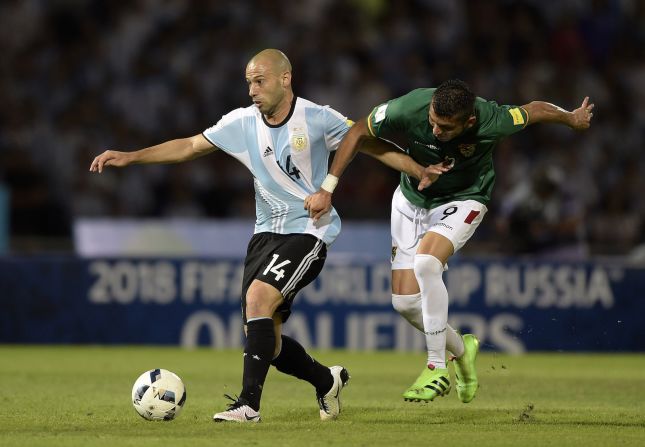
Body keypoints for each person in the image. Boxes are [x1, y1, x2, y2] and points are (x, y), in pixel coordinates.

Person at [90, 49, 441, 422]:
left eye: (259, 81)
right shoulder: (241, 122)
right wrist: (131, 156)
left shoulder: (318, 118)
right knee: (267, 342)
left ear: (285, 79)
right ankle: (327, 381)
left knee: (259, 299)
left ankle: (248, 405)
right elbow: (190, 146)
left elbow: (368, 142)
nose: (252, 91)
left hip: (308, 230)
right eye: (248, 83)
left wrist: (417, 169)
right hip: (264, 237)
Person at [305, 79, 594, 403]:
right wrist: (328, 188)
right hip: (412, 199)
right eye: (432, 121)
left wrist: (570, 118)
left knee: (427, 263)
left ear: (468, 122)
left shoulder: (491, 119)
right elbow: (359, 130)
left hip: (464, 199)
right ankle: (462, 350)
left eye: (445, 127)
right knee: (404, 303)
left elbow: (534, 111)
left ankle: (435, 367)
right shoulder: (410, 106)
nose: (436, 130)